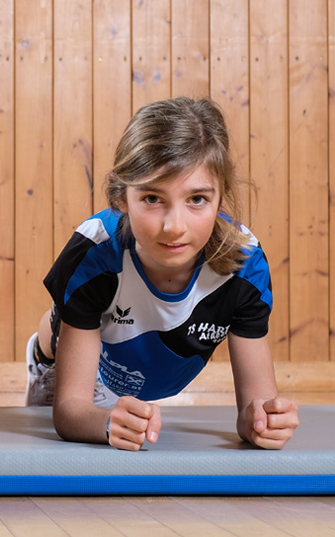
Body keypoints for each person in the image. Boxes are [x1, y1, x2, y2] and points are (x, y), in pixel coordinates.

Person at [26, 97, 299, 451]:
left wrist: (261, 421)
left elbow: (254, 406)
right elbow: (70, 411)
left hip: (161, 366)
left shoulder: (246, 266)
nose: (174, 227)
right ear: (121, 196)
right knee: (61, 324)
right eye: (153, 198)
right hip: (100, 359)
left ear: (221, 199)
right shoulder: (92, 253)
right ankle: (43, 351)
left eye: (197, 199)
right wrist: (105, 422)